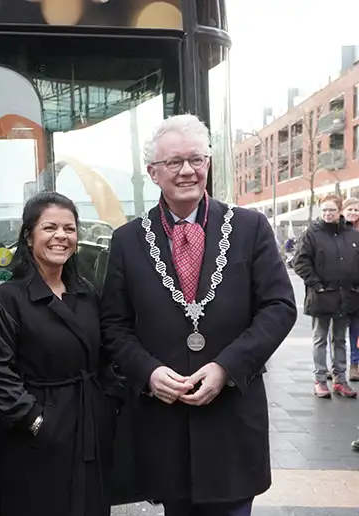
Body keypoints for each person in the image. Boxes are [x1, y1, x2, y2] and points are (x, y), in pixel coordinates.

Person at [100, 114, 296, 516]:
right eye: (174, 162)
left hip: (232, 416)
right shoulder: (127, 240)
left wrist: (227, 367)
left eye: (196, 159)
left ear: (208, 162)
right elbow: (114, 325)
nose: (187, 171)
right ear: (153, 172)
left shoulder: (250, 228)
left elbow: (279, 307)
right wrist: (148, 373)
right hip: (165, 421)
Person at [0, 192, 125, 516]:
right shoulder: (8, 299)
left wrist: (108, 405)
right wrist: (34, 421)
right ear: (29, 237)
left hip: (89, 425)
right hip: (36, 435)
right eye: (50, 228)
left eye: (69, 229)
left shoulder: (87, 293)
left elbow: (107, 357)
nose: (61, 236)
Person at [293, 194, 359, 398]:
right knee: (320, 338)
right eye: (324, 210)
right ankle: (320, 380)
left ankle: (340, 380)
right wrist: (317, 285)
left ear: (339, 211)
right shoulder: (311, 234)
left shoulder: (352, 235)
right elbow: (300, 262)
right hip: (321, 296)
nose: (328, 214)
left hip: (345, 296)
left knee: (340, 339)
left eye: (331, 210)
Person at [342, 197, 359, 381]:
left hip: (357, 292)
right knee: (335, 333)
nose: (353, 213)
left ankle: (355, 364)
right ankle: (335, 366)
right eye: (350, 209)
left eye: (356, 210)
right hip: (337, 291)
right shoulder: (336, 232)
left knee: (356, 330)